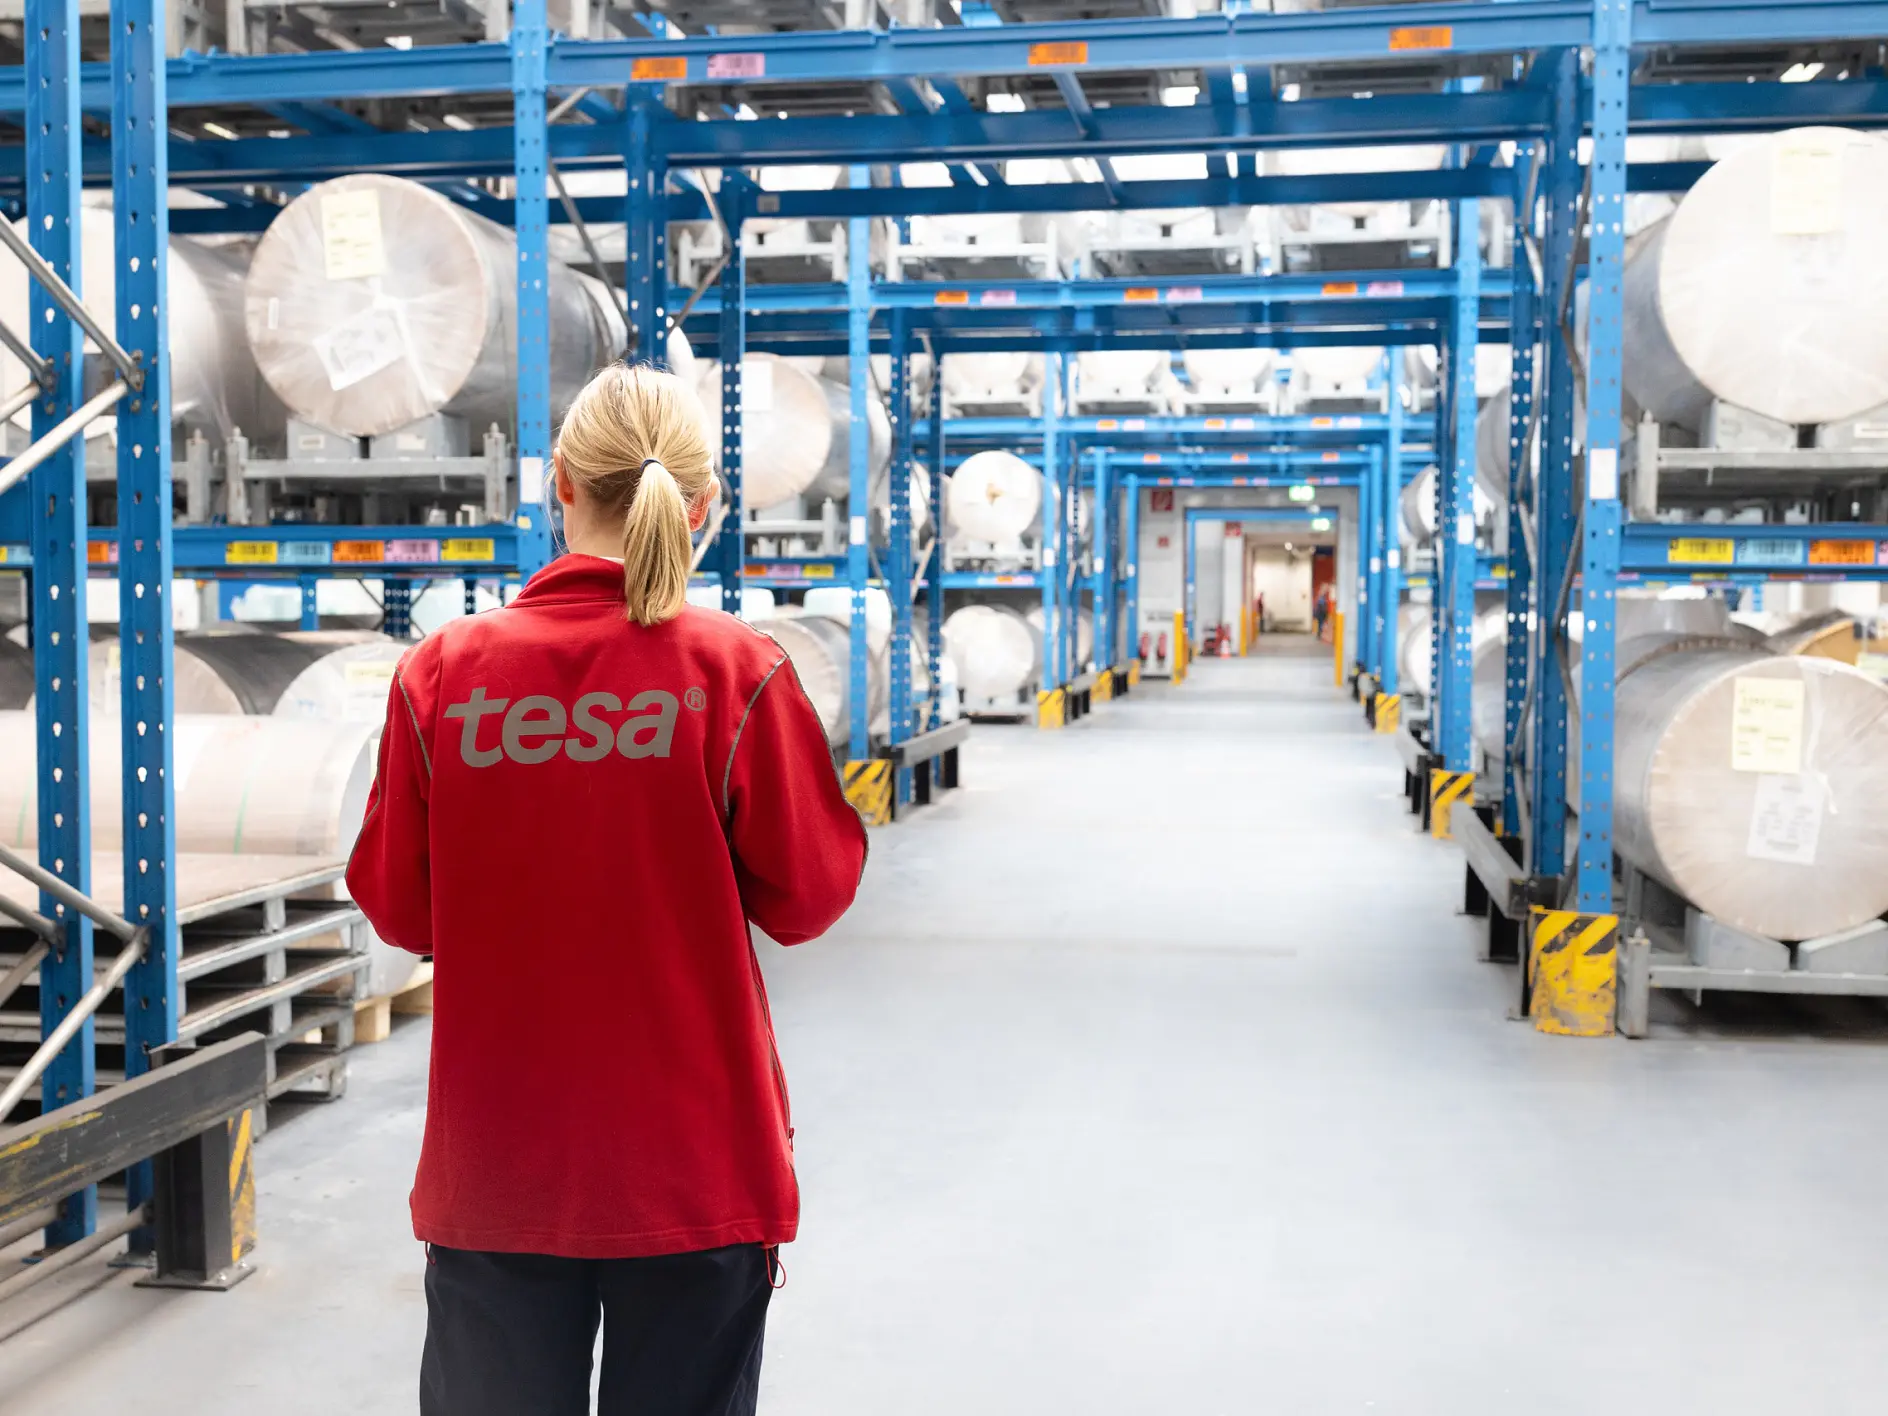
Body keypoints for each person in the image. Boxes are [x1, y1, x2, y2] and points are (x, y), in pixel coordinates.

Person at [348, 362, 869, 1416]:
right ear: (704, 508)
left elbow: (400, 912)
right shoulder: (737, 672)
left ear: (556, 492)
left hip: (496, 1173)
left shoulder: (441, 675)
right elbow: (810, 897)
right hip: (693, 1175)